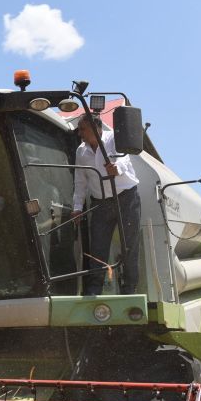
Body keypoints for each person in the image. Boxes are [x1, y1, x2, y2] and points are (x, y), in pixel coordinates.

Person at [71, 114, 142, 295]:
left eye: (83, 129)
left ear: (97, 128)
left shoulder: (114, 139)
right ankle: (94, 289)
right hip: (100, 203)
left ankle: (129, 289)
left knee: (129, 245)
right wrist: (77, 208)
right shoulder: (81, 151)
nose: (80, 133)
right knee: (98, 247)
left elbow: (125, 158)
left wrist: (117, 168)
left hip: (127, 198)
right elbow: (80, 181)